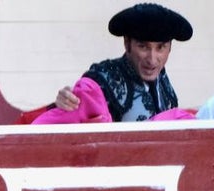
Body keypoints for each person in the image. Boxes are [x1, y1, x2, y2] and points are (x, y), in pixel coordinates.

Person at [52, 3, 192, 122]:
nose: (152, 59)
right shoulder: (103, 78)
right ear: (127, 43)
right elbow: (69, 116)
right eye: (143, 47)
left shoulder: (162, 79)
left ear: (170, 48)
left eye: (160, 47)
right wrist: (61, 103)